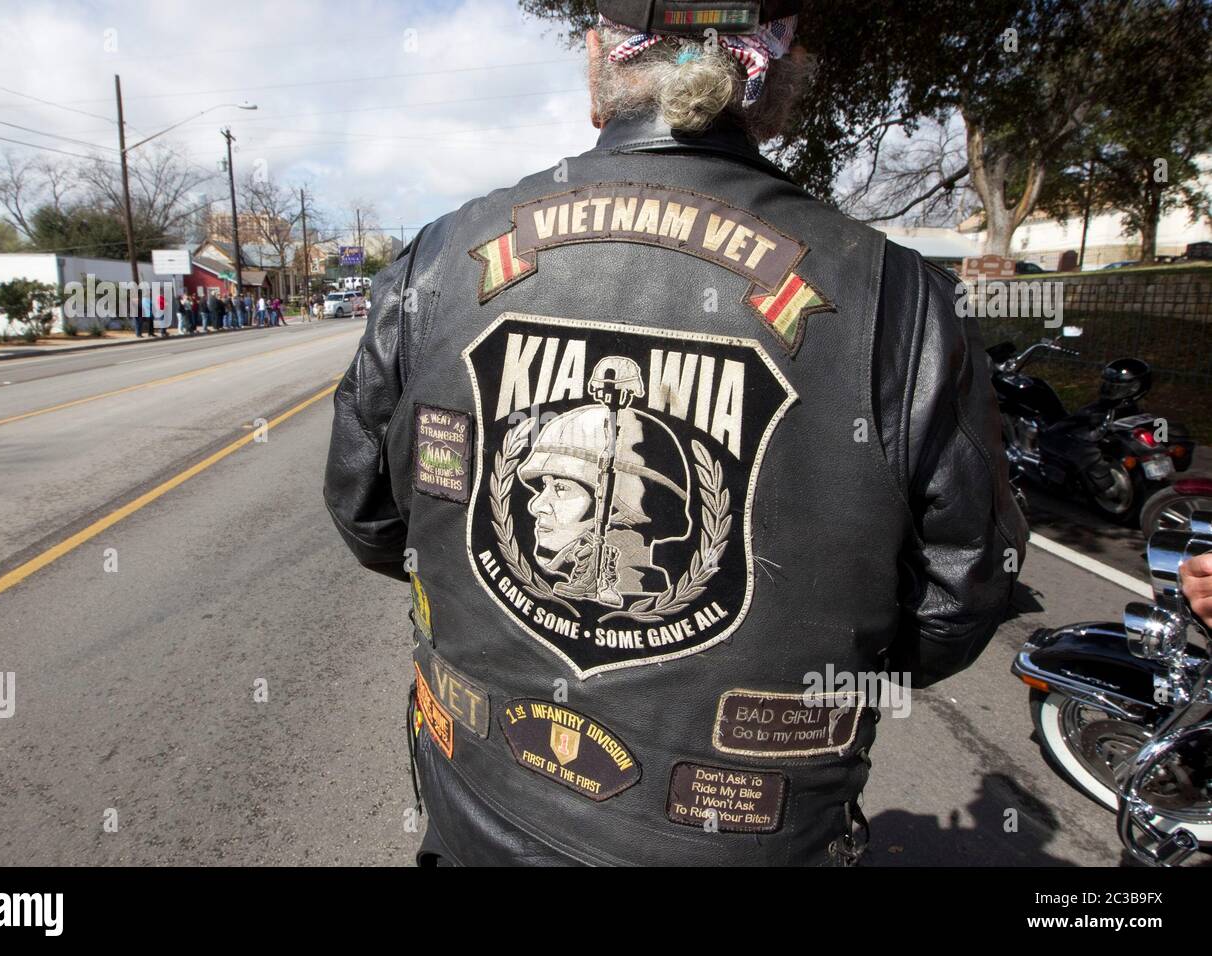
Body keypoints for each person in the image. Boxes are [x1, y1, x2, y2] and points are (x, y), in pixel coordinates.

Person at [324, 0, 1026, 867]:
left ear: (600, 65)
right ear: (776, 73)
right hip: (748, 834)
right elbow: (962, 599)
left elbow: (368, 519)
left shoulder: (437, 259)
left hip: (481, 816)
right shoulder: (902, 298)